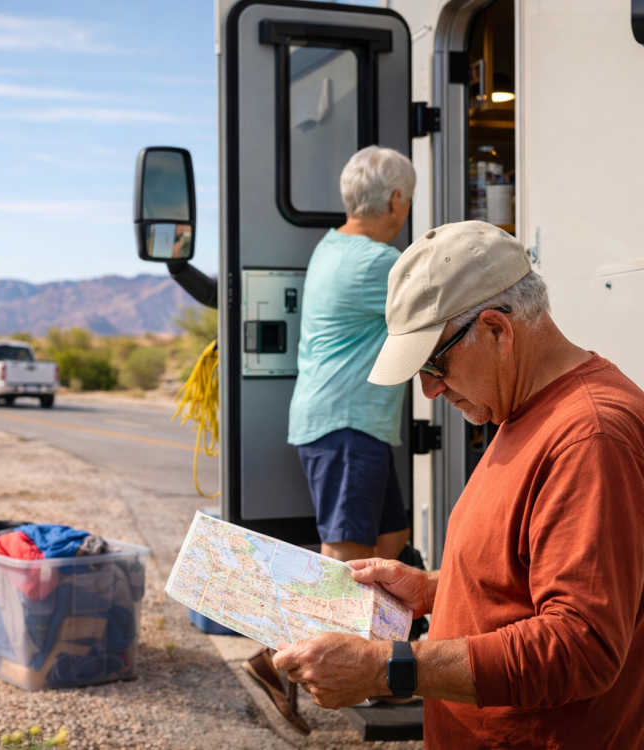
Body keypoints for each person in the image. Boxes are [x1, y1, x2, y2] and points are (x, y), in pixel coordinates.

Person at [272, 221, 644, 749]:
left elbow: (580, 646)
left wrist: (388, 667)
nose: (428, 389)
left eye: (434, 363)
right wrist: (430, 590)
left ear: (497, 330)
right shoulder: (521, 408)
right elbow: (527, 580)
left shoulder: (590, 436)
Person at [242, 145, 418, 734]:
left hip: (349, 423)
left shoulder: (332, 246)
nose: (408, 208)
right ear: (396, 199)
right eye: (409, 199)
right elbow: (436, 307)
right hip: (346, 426)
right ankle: (275, 662)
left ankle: (381, 668)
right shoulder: (375, 262)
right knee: (343, 564)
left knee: (391, 540)